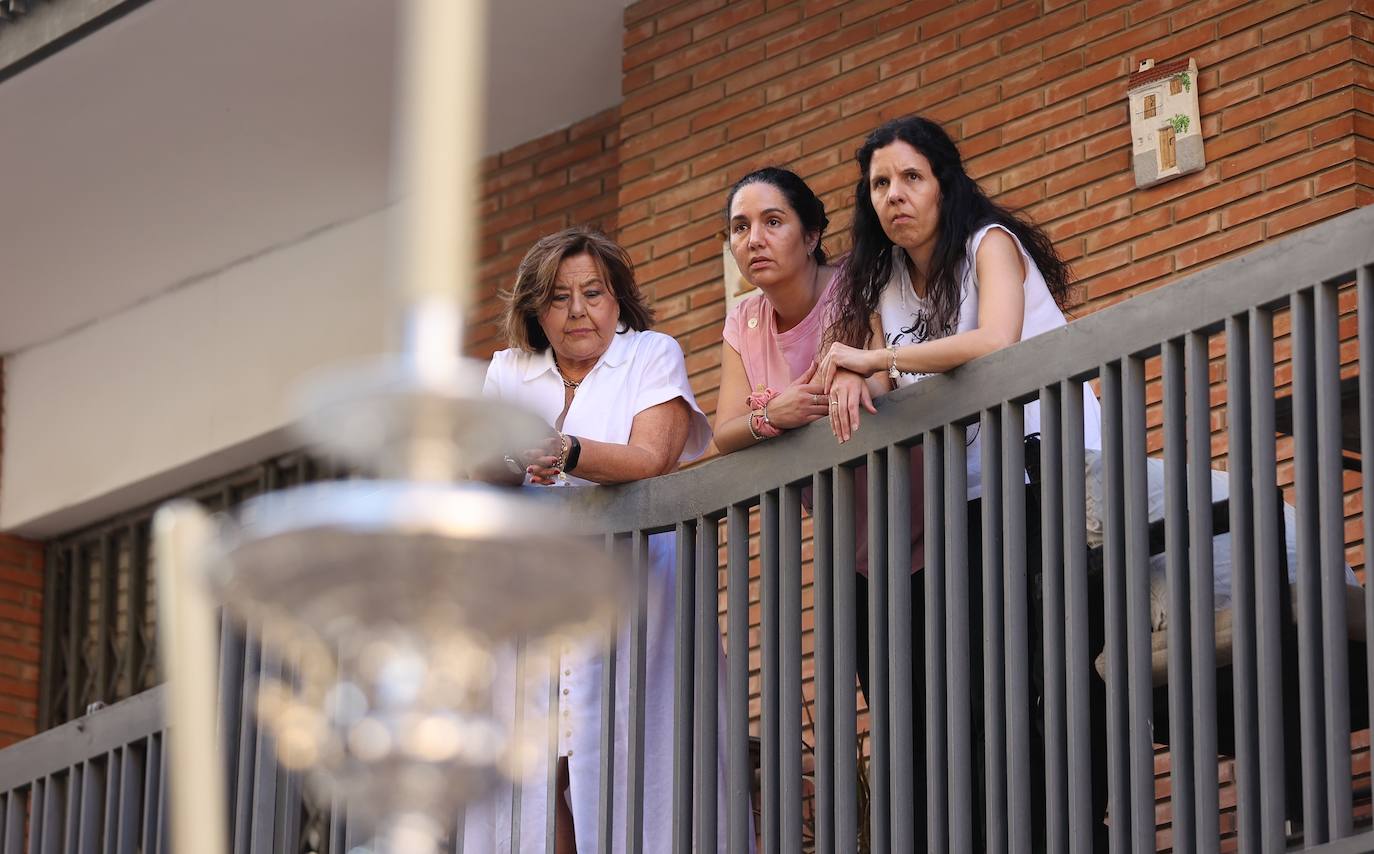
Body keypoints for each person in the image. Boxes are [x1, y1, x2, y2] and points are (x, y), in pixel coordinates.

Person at [818, 115, 1107, 849]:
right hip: (973, 497)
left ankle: (1083, 822)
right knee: (988, 677)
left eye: (911, 177)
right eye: (880, 183)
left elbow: (994, 341)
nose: (894, 195)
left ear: (945, 182)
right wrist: (854, 382)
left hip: (1056, 468)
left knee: (1050, 662)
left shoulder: (990, 246)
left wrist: (873, 364)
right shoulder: (886, 285)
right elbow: (888, 375)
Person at [467, 226, 730, 853]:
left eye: (593, 292)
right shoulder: (507, 370)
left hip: (632, 588)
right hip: (529, 593)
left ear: (619, 299)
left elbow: (652, 456)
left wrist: (567, 452)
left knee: (628, 757)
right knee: (536, 767)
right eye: (559, 297)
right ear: (535, 307)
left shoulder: (650, 354)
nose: (578, 310)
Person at [712, 165, 929, 844]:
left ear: (810, 235)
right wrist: (771, 413)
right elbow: (724, 432)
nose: (754, 239)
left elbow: (877, 372)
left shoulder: (854, 288)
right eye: (740, 227)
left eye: (773, 222)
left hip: (931, 518)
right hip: (854, 552)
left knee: (957, 704)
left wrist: (847, 373)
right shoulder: (744, 319)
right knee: (897, 724)